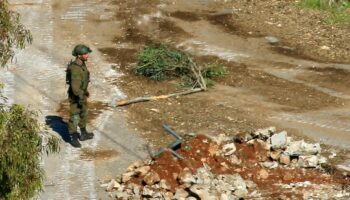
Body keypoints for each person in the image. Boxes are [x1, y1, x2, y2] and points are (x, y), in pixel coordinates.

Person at [66, 44, 94, 148]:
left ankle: (83, 133)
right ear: (78, 55)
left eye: (87, 53)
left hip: (82, 94)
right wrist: (81, 96)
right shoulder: (75, 69)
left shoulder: (82, 64)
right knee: (75, 116)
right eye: (85, 54)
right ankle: (73, 137)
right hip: (76, 96)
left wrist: (85, 92)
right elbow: (75, 88)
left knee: (84, 113)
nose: (87, 55)